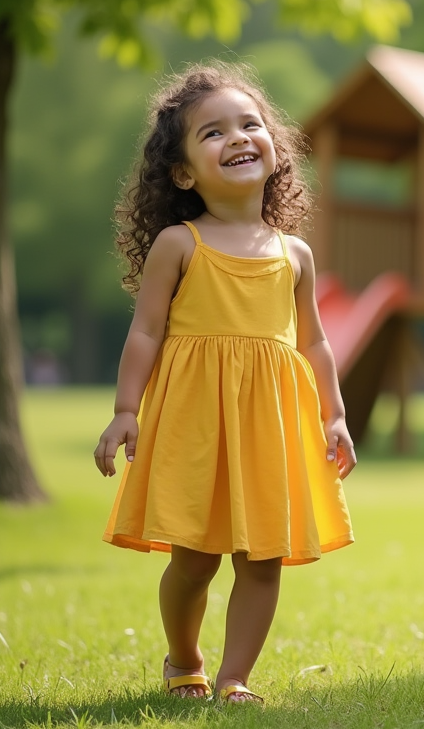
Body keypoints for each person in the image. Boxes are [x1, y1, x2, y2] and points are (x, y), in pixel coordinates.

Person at [93, 62, 356, 705]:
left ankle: (236, 679)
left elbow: (315, 342)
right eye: (212, 133)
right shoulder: (180, 245)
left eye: (250, 124)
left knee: (263, 558)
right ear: (183, 173)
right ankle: (184, 661)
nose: (237, 137)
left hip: (270, 424)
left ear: (275, 149)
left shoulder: (294, 254)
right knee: (194, 559)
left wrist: (335, 417)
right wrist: (126, 410)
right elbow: (146, 334)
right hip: (197, 423)